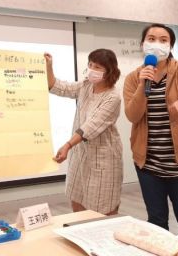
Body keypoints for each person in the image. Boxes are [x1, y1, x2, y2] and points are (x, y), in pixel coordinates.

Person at [123, 23, 178, 246]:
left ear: (170, 46)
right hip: (149, 166)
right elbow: (132, 115)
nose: (156, 44)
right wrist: (142, 84)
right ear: (142, 44)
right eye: (151, 39)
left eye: (163, 40)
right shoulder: (133, 78)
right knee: (156, 221)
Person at [45, 49, 123, 215]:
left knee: (102, 207)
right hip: (80, 155)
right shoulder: (86, 86)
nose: (92, 70)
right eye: (90, 65)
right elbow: (58, 87)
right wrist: (49, 66)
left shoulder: (113, 96)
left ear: (110, 71)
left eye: (98, 67)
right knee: (77, 198)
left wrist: (67, 145)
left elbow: (90, 126)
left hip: (103, 158)